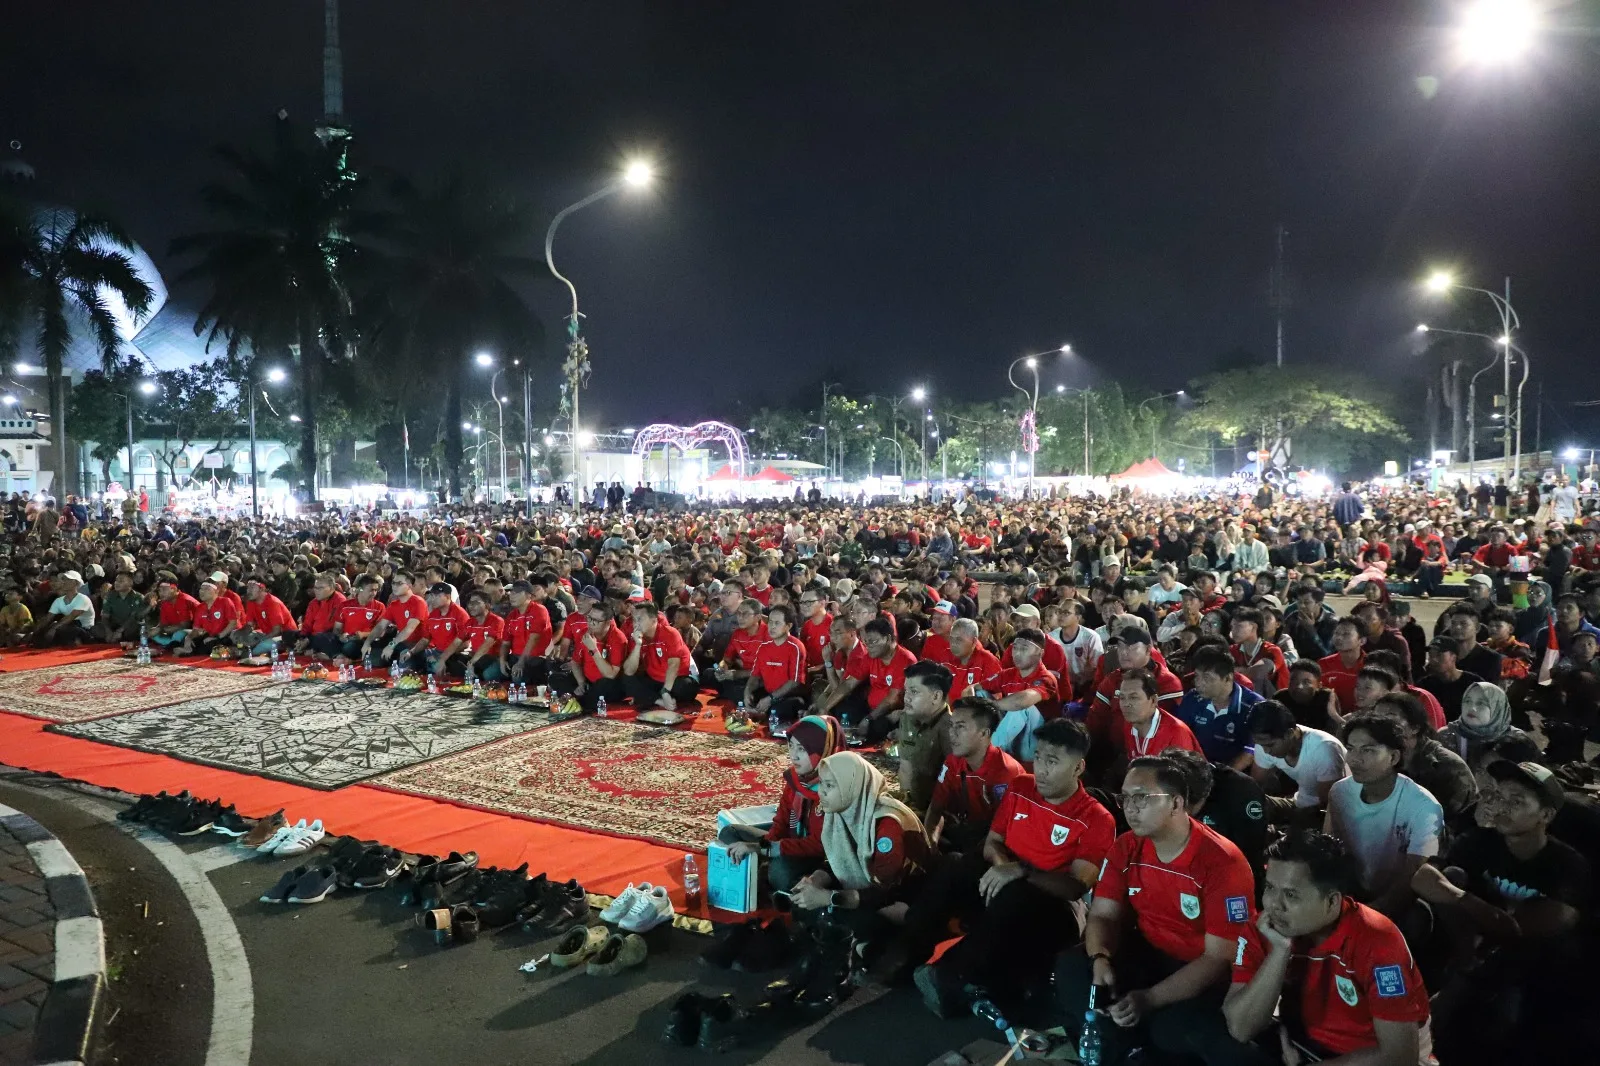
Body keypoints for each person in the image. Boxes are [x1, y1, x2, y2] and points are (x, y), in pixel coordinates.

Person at [1056, 756, 1260, 1066]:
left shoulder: (1222, 862)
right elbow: (1103, 914)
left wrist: (1149, 998)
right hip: (1151, 951)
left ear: (1176, 803)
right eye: (1126, 797)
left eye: (1142, 798)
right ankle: (1118, 1050)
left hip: (1200, 971)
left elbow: (1218, 958)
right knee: (1073, 966)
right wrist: (1101, 957)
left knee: (1170, 1031)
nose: (1130, 807)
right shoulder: (1127, 846)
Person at [912, 718, 1115, 1018]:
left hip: (1056, 908)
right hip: (1007, 883)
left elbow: (1076, 886)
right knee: (956, 864)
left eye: (1053, 761)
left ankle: (951, 976)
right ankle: (910, 947)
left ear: (1078, 768)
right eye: (1039, 757)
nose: (1041, 768)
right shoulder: (1021, 787)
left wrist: (1021, 872)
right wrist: (1004, 868)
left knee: (1017, 895)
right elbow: (992, 842)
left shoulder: (1096, 818)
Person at [1411, 760, 1591, 1063]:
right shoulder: (1480, 840)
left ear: (1545, 815)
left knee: (1498, 1023)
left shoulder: (1567, 864)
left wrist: (1481, 930)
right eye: (1499, 796)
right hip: (1469, 947)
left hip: (1530, 967)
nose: (1502, 807)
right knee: (1450, 878)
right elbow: (1423, 878)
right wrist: (1471, 904)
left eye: (1517, 800)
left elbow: (1535, 925)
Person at [1225, 831, 1432, 1066]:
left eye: (1291, 895)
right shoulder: (1263, 928)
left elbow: (1399, 1058)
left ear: (1332, 901)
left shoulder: (1377, 942)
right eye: (1270, 888)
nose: (1274, 905)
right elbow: (1240, 1028)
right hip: (1300, 1045)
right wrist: (1280, 952)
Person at [785, 750, 931, 951]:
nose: (822, 792)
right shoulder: (844, 810)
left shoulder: (887, 824)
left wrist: (829, 897)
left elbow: (886, 890)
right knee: (800, 890)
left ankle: (845, 963)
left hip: (907, 901)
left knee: (842, 914)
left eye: (830, 785)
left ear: (851, 786)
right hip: (871, 890)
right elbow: (838, 857)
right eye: (822, 784)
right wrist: (814, 881)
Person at [1324, 714, 1443, 919]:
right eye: (1351, 748)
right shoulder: (1340, 792)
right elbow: (1327, 849)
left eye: (1368, 750)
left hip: (1401, 900)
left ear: (1394, 757)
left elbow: (1413, 876)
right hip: (1351, 894)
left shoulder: (1423, 806)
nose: (1354, 759)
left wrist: (1369, 915)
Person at [721, 715, 844, 891]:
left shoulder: (834, 786)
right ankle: (762, 873)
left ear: (822, 749)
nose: (793, 755)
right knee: (729, 832)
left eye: (802, 749)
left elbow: (818, 846)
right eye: (791, 746)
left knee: (779, 872)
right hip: (787, 845)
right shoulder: (797, 778)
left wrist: (764, 850)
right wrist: (765, 846)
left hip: (820, 859)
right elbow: (781, 821)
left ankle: (770, 878)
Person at [920, 697, 1026, 855]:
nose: (952, 733)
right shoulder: (952, 762)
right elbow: (936, 808)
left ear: (984, 733)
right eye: (951, 725)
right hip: (965, 827)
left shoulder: (1007, 773)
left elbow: (1009, 832)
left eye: (960, 727)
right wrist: (930, 843)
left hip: (995, 844)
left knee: (955, 861)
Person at [1164, 747, 1269, 893]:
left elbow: (1250, 855)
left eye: (1186, 811)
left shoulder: (1243, 792)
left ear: (1204, 795)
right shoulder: (1158, 785)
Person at [1373, 691, 1478, 824]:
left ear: (1415, 727)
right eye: (1376, 718)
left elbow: (1460, 825)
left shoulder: (1447, 766)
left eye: (1390, 716)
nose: (1379, 725)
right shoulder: (1376, 761)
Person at [1249, 699, 1348, 826]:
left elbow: (1328, 808)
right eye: (1260, 745)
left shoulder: (1324, 749)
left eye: (1270, 745)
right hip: (1298, 803)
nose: (1265, 751)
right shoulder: (1265, 743)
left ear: (1290, 734)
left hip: (1323, 813)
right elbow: (1255, 785)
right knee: (1248, 803)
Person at [1172, 647, 1263, 770]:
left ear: (1228, 678)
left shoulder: (1255, 705)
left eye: (1207, 678)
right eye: (1197, 676)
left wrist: (1222, 778)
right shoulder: (1192, 698)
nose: (1198, 683)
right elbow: (1179, 737)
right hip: (1198, 770)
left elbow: (1249, 753)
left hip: (1235, 776)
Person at [837, 617, 918, 743]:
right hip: (871, 708)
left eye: (873, 642)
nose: (868, 646)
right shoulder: (870, 657)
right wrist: (824, 707)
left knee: (878, 726)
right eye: (866, 642)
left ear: (888, 638)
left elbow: (892, 699)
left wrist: (869, 718)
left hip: (893, 712)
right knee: (843, 708)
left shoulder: (905, 659)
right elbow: (849, 683)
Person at [988, 629, 1062, 761]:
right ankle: (981, 742)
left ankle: (988, 751)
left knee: (1024, 707)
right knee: (980, 694)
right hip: (1010, 737)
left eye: (1024, 648)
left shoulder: (1047, 678)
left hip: (1039, 743)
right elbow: (973, 688)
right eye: (1015, 648)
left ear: (1040, 653)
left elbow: (1022, 701)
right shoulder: (1007, 674)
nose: (1017, 653)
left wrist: (991, 705)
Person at [1436, 681, 1531, 780]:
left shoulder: (1516, 739)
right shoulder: (1446, 736)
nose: (1472, 708)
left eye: (1481, 703)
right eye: (1467, 701)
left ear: (1497, 708)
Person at [893, 660, 953, 813]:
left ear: (936, 697)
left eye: (914, 692)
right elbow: (906, 766)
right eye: (906, 691)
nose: (906, 698)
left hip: (942, 812)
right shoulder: (907, 717)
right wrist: (906, 805)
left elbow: (955, 784)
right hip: (915, 806)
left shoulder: (952, 729)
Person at [622, 600, 700, 711]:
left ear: (654, 620)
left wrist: (665, 691)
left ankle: (654, 697)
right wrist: (638, 645)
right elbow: (629, 671)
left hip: (680, 678)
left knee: (683, 687)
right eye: (634, 620)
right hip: (657, 680)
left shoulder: (670, 633)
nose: (636, 624)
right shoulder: (637, 637)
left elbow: (674, 664)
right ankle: (660, 701)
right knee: (627, 679)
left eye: (640, 619)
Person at [551, 601, 628, 712]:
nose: (590, 623)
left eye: (596, 621)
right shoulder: (584, 633)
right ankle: (581, 699)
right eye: (589, 618)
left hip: (607, 683)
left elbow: (610, 675)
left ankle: (579, 701)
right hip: (587, 681)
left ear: (608, 623)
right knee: (555, 678)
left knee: (605, 685)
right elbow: (575, 662)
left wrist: (593, 649)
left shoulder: (618, 638)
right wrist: (581, 683)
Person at [744, 603, 811, 727]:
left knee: (778, 710)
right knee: (744, 698)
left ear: (788, 626)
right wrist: (747, 692)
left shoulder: (796, 647)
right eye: (770, 622)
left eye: (777, 623)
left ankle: (763, 712)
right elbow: (755, 676)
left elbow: (794, 682)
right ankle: (759, 710)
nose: (772, 627)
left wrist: (770, 698)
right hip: (769, 694)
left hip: (790, 696)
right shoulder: (764, 647)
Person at [397, 582, 472, 678]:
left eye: (436, 596)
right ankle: (404, 682)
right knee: (405, 654)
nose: (432, 599)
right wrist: (411, 652)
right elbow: (425, 640)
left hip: (456, 653)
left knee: (435, 663)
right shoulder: (433, 615)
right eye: (431, 596)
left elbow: (465, 644)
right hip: (436, 651)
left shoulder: (460, 614)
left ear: (448, 596)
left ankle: (436, 686)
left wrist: (441, 657)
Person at [365, 571, 427, 666]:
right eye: (393, 583)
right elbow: (381, 626)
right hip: (401, 643)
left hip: (417, 646)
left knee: (402, 668)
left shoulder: (418, 602)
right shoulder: (394, 605)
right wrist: (367, 642)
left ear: (410, 585)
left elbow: (409, 628)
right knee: (372, 659)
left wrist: (391, 645)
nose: (394, 586)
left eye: (399, 583)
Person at [1416, 636, 1484, 723]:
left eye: (1438, 655)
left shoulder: (1473, 683)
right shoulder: (1424, 686)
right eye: (1431, 655)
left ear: (1453, 656)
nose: (1434, 660)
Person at [714, 597, 769, 701]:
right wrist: (722, 667)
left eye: (745, 614)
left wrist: (736, 674)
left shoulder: (768, 634)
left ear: (757, 617)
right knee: (710, 674)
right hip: (742, 675)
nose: (740, 617)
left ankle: (736, 694)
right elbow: (727, 659)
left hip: (760, 678)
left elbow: (766, 670)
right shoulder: (737, 633)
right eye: (739, 613)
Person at [1229, 608, 1289, 695]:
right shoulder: (1232, 650)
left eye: (1239, 626)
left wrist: (1232, 672)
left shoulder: (1272, 650)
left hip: (1276, 700)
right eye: (1232, 626)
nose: (1233, 631)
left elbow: (1258, 672)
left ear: (1254, 627)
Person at [32, 571, 95, 647]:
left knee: (65, 629)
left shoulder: (83, 599)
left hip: (85, 630)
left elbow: (71, 617)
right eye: (63, 579)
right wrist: (34, 631)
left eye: (67, 579)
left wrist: (53, 629)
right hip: (67, 626)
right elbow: (48, 618)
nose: (64, 582)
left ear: (76, 583)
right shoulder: (58, 600)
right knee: (45, 630)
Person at [1279, 658, 1343, 732]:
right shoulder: (1280, 698)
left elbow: (1333, 731)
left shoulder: (1327, 698)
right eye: (1294, 681)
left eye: (1306, 682)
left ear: (1319, 685)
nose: (1299, 686)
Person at [294, 572, 345, 661]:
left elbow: (331, 628)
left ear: (332, 588)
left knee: (321, 638)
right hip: (312, 637)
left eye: (320, 588)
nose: (316, 591)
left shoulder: (340, 601)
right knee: (288, 635)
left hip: (329, 637)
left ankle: (314, 651)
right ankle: (308, 649)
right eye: (315, 588)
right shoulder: (313, 602)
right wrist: (303, 638)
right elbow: (307, 625)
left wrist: (309, 639)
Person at [95, 569, 147, 646]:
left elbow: (133, 618)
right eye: (116, 580)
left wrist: (120, 631)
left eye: (121, 581)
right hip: (114, 625)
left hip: (128, 627)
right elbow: (105, 616)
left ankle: (119, 638)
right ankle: (114, 638)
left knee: (135, 628)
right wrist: (108, 631)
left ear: (130, 583)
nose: (117, 583)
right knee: (96, 628)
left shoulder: (138, 597)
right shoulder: (109, 596)